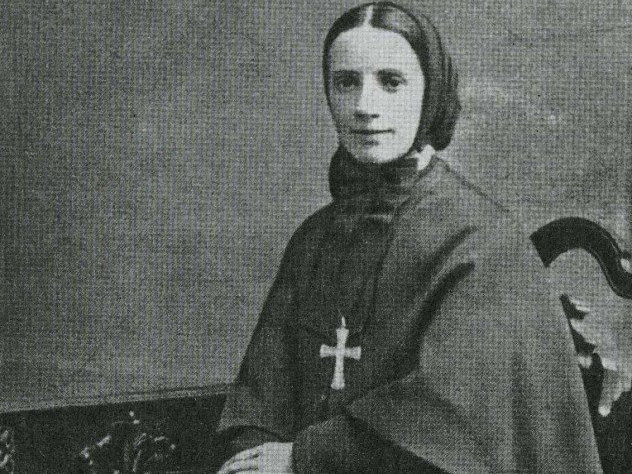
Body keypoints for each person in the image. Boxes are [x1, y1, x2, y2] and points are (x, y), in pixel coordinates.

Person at [215, 2, 602, 473]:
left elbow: (451, 421)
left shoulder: (483, 242)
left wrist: (303, 459)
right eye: (346, 82)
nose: (364, 106)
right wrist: (251, 457)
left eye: (391, 81)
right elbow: (260, 395)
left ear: (429, 93)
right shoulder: (314, 240)